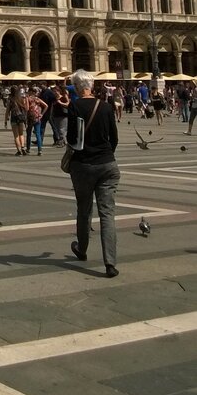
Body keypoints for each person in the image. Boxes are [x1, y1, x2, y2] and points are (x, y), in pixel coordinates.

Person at [67, 69, 120, 278]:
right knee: (107, 214)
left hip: (83, 166)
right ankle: (110, 263)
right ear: (92, 86)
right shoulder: (106, 107)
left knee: (84, 209)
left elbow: (71, 138)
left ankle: (82, 249)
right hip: (108, 165)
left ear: (77, 87)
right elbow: (114, 138)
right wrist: (105, 156)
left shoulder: (75, 106)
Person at [4, 85, 28, 156]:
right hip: (21, 117)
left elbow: (7, 111)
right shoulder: (21, 98)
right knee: (21, 134)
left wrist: (5, 121)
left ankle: (19, 151)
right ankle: (23, 148)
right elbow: (25, 109)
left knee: (16, 135)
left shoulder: (10, 99)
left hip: (14, 118)